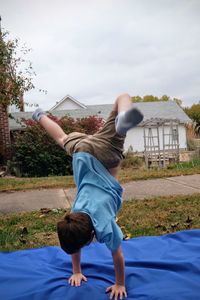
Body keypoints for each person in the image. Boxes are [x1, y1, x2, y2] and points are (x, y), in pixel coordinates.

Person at [32, 93, 143, 300]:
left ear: (92, 236)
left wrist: (119, 284)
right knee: (62, 138)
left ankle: (124, 118)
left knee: (120, 101)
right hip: (82, 152)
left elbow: (117, 255)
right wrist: (75, 271)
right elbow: (73, 238)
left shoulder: (104, 226)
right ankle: (39, 115)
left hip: (105, 157)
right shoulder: (73, 215)